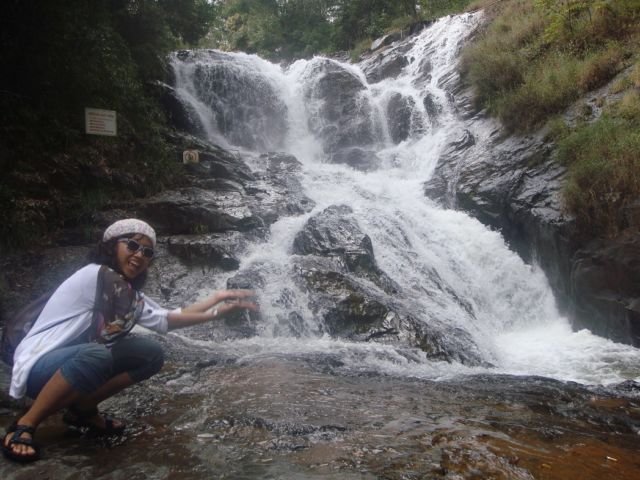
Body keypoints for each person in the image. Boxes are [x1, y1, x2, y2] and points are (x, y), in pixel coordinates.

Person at [2, 218, 258, 463]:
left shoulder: (123, 289)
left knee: (149, 352)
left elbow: (163, 318)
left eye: (147, 252)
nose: (139, 255)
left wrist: (217, 300)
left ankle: (83, 409)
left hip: (76, 361)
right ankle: (26, 423)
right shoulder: (98, 275)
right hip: (41, 367)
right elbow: (166, 321)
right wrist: (215, 310)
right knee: (97, 354)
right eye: (132, 245)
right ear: (112, 245)